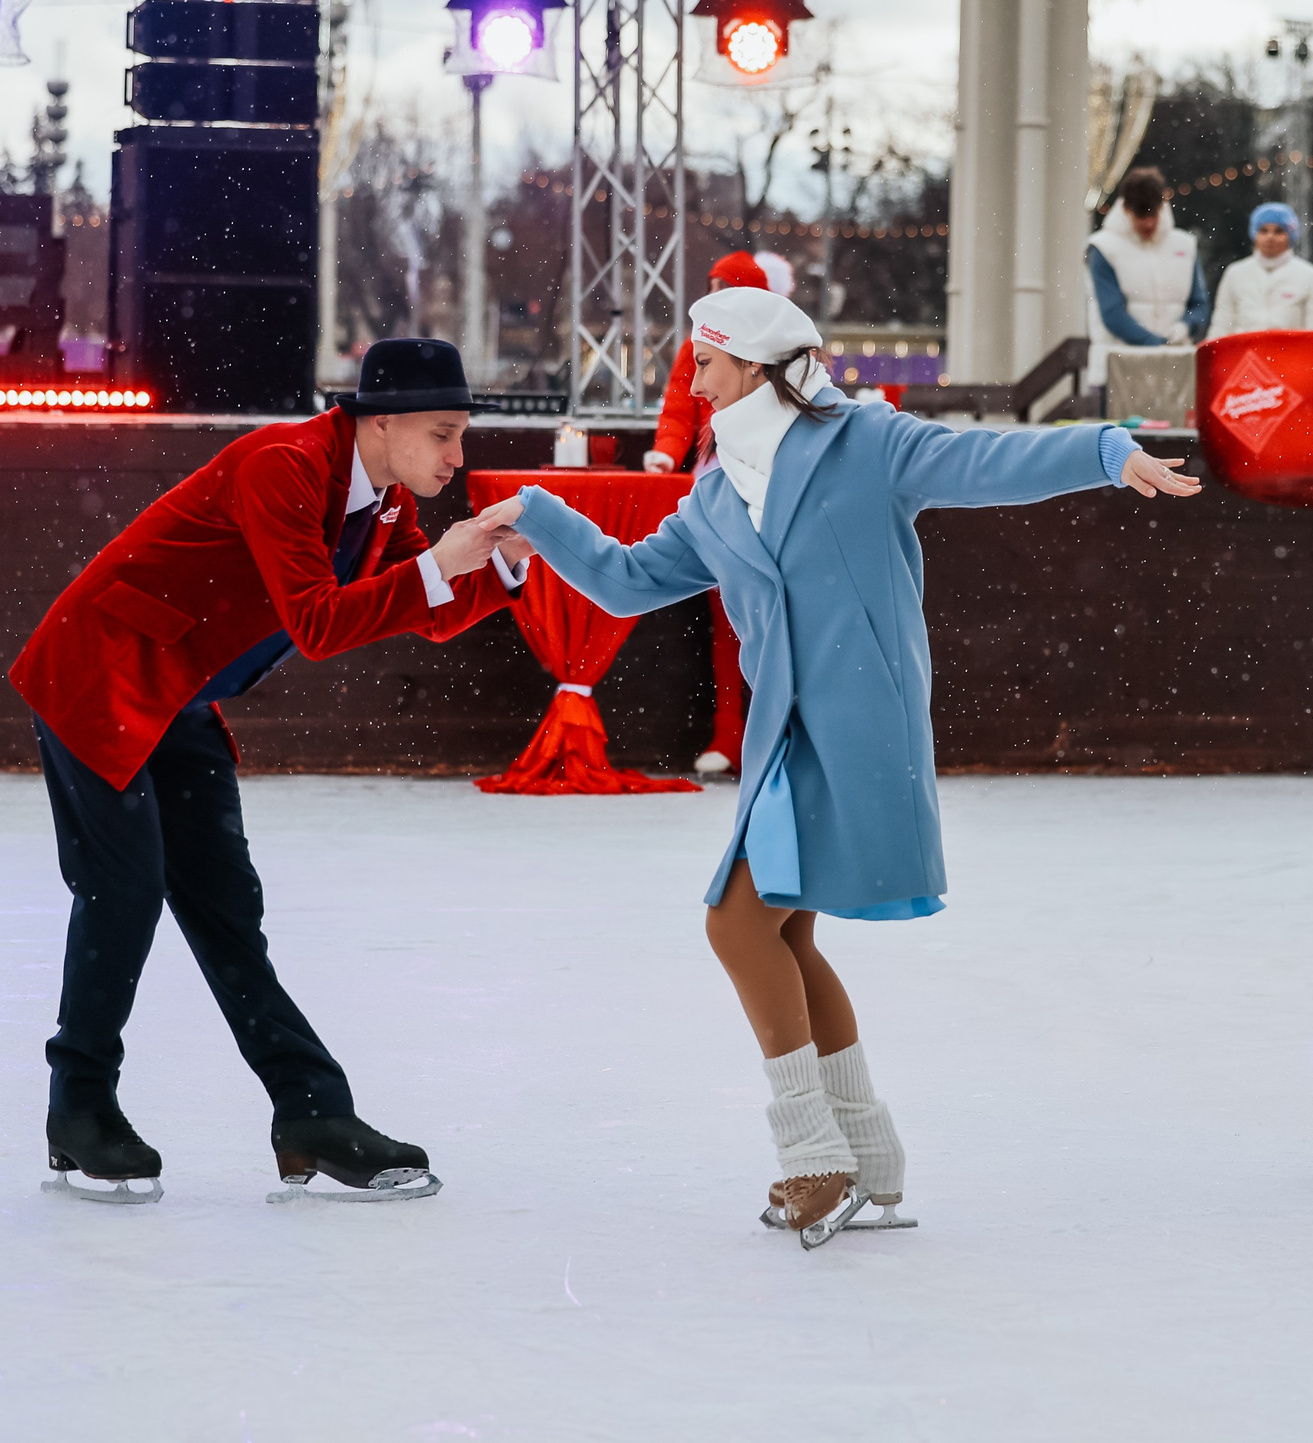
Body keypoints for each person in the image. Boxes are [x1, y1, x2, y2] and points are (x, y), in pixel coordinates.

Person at [478, 288, 1201, 1242]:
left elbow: (987, 459)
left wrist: (1104, 450)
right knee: (783, 938)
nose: (692, 381)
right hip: (781, 742)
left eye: (705, 362)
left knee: (738, 928)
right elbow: (625, 579)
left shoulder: (870, 442)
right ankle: (868, 1156)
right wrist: (540, 516)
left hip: (859, 734)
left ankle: (815, 1160)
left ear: (754, 365)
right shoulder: (713, 492)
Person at [7, 339, 529, 1204]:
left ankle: (312, 1112)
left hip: (176, 691)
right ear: (383, 421)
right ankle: (79, 1107)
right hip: (98, 670)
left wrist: (503, 563)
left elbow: (416, 611)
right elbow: (322, 624)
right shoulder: (284, 467)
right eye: (443, 434)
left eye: (461, 434)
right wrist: (447, 562)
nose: (456, 456)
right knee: (124, 889)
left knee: (225, 909)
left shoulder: (382, 500)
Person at [646, 250, 782, 774]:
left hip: (773, 485)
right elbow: (681, 404)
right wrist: (666, 448)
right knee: (728, 619)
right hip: (721, 482)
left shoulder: (782, 347)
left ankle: (774, 738)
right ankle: (730, 733)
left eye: (727, 286)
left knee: (777, 619)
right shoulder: (698, 346)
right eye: (714, 286)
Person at [1085, 166, 1210, 387]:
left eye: (1153, 214)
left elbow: (1199, 303)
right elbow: (1112, 312)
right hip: (1121, 369)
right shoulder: (1103, 247)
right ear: (1125, 209)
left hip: (1174, 370)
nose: (1148, 223)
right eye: (1140, 215)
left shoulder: (1185, 244)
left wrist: (1186, 326)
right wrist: (1156, 345)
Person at [1208, 202, 1313, 338]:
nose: (1270, 237)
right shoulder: (1235, 273)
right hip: (1245, 355)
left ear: (1290, 235)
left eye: (1278, 231)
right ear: (1254, 235)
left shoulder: (1311, 276)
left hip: (1292, 355)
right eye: (1263, 231)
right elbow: (1222, 324)